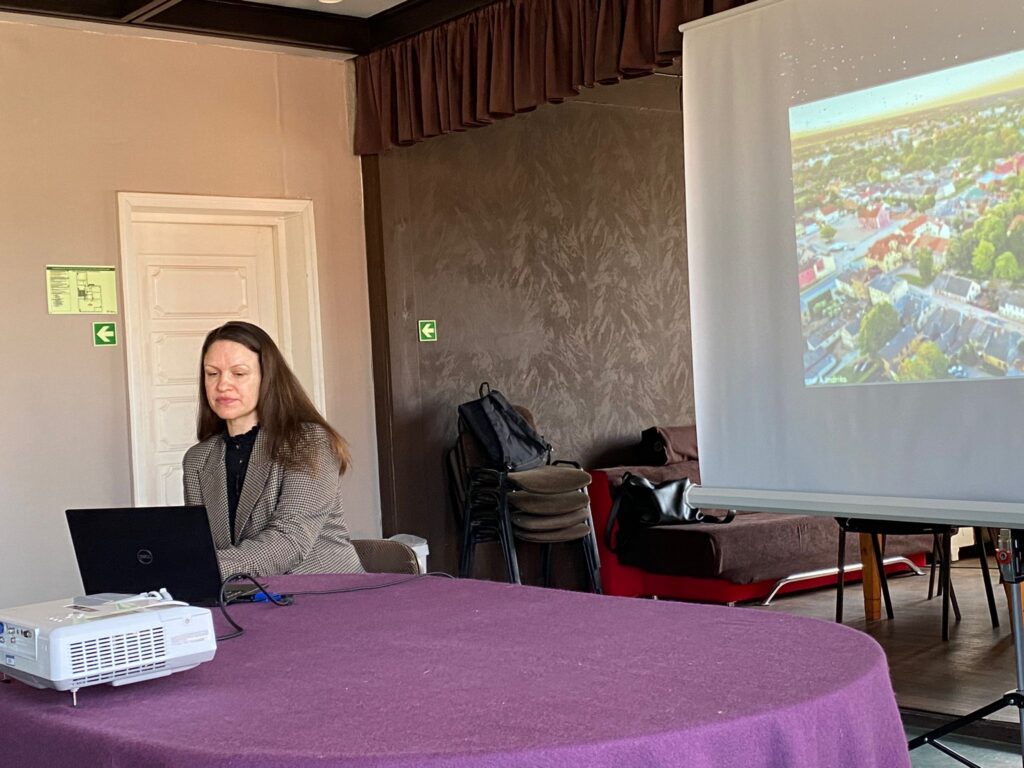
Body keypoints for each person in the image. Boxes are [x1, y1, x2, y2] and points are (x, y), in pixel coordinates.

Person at [182, 321, 364, 578]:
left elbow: (289, 541)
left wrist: (196, 567)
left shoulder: (308, 441)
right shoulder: (197, 459)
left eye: (239, 373)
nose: (222, 385)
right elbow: (203, 544)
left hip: (323, 591)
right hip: (242, 594)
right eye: (212, 373)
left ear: (267, 378)